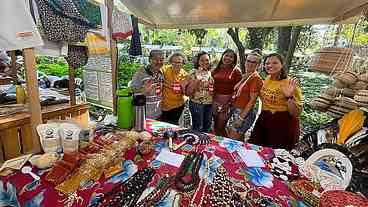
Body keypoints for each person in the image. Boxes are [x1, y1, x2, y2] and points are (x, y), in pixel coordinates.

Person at [249, 53, 302, 150]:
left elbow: (296, 113)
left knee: (276, 156)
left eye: (275, 63)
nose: (270, 66)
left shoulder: (290, 83)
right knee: (256, 149)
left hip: (283, 124)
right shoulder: (267, 79)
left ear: (282, 65)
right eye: (267, 63)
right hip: (264, 120)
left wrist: (289, 97)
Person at [228, 52, 263, 141]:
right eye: (248, 61)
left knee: (231, 141)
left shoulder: (256, 79)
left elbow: (252, 101)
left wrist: (241, 118)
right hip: (238, 110)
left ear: (258, 65)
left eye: (254, 62)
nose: (250, 64)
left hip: (244, 113)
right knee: (239, 141)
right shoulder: (247, 75)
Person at [212, 49, 242, 137]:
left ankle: (227, 144)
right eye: (226, 55)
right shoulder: (216, 69)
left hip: (227, 103)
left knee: (221, 126)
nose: (228, 58)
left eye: (231, 57)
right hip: (214, 102)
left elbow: (238, 90)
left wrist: (229, 103)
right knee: (215, 126)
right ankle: (217, 146)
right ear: (222, 56)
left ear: (234, 59)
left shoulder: (236, 71)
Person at [129, 50, 164, 120]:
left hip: (158, 114)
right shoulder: (140, 73)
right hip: (144, 115)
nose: (159, 62)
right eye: (156, 59)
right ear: (149, 60)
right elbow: (131, 90)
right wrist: (143, 91)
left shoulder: (161, 73)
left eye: (161, 60)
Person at [183, 52, 214, 132]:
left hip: (209, 104)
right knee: (197, 128)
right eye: (202, 60)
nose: (205, 62)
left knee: (207, 127)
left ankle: (204, 143)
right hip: (197, 104)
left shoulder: (209, 72)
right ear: (198, 62)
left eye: (207, 60)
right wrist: (197, 79)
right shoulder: (193, 72)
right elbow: (188, 92)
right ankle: (195, 142)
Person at [160, 53, 188, 125]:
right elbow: (158, 79)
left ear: (183, 63)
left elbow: (186, 92)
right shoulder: (164, 69)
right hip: (163, 105)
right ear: (171, 62)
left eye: (178, 62)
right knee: (162, 126)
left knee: (173, 125)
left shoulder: (185, 75)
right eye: (174, 62)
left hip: (177, 105)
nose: (176, 64)